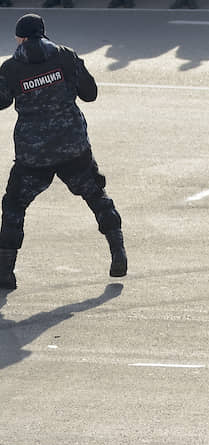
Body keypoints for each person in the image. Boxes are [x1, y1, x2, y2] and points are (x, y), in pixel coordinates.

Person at [0, 14, 126, 291]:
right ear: (44, 34)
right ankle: (118, 252)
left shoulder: (10, 68)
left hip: (34, 154)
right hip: (72, 145)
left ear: (20, 38)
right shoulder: (66, 57)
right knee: (95, 195)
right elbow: (90, 93)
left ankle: (5, 273)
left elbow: (1, 101)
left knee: (14, 206)